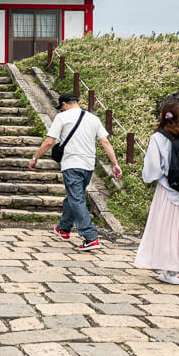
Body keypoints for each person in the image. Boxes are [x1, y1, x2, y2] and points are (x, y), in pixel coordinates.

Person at [28, 92, 121, 250]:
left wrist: (35, 157)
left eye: (61, 108)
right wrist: (115, 164)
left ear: (64, 104)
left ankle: (90, 236)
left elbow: (50, 141)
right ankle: (63, 229)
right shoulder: (93, 118)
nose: (61, 110)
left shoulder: (62, 118)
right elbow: (105, 141)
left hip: (72, 163)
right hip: (88, 165)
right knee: (74, 196)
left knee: (76, 199)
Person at [135, 100, 179, 285]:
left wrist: (151, 178)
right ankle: (178, 266)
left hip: (169, 190)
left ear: (161, 116)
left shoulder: (158, 137)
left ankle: (171, 271)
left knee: (166, 230)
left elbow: (152, 168)